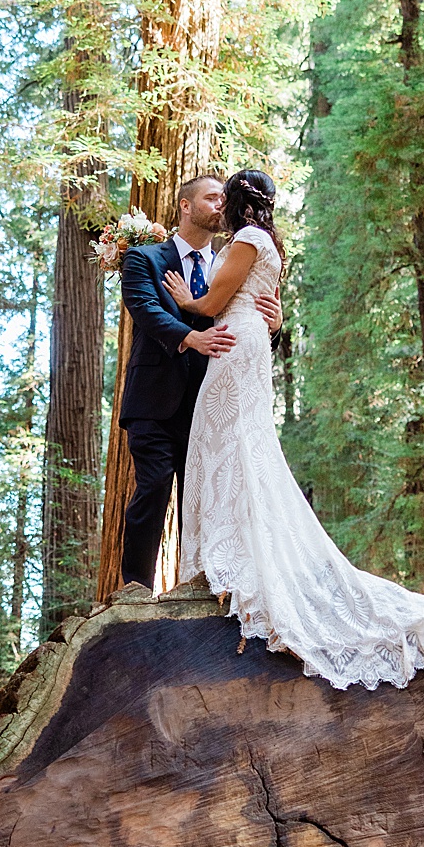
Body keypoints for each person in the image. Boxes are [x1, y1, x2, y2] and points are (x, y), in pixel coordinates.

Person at [164, 167, 424, 690]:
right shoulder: (267, 243)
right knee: (238, 446)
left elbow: (209, 306)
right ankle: (228, 556)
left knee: (229, 446)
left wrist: (186, 300)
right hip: (247, 343)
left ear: (234, 203)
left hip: (233, 347)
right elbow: (255, 304)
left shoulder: (247, 241)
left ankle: (228, 560)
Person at [114, 174, 280, 591]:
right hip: (154, 399)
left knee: (207, 492)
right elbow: (147, 310)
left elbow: (245, 316)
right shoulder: (145, 259)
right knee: (152, 488)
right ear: (186, 206)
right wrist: (191, 336)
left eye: (225, 197)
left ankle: (205, 582)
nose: (221, 204)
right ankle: (133, 591)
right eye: (211, 197)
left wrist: (274, 327)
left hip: (212, 398)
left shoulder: (232, 257)